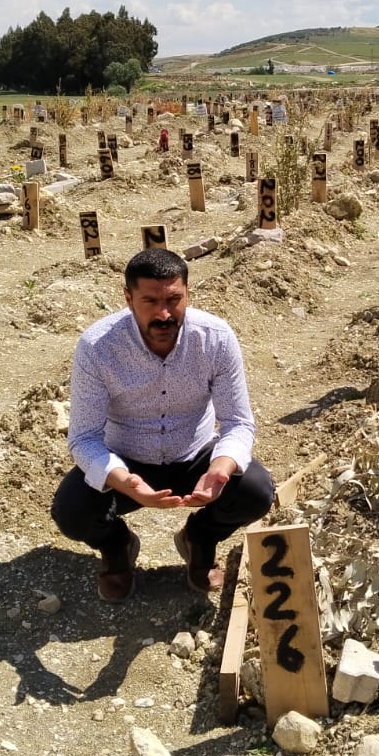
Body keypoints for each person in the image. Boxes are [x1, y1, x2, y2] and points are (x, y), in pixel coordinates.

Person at [52, 248, 275, 602]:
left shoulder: (215, 338)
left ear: (187, 293)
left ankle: (200, 537)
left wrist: (220, 468)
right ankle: (117, 547)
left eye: (173, 300)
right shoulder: (98, 347)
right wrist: (125, 481)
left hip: (195, 454)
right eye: (150, 301)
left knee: (256, 491)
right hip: (126, 460)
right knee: (71, 511)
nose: (164, 314)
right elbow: (84, 438)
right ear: (128, 298)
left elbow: (237, 422)